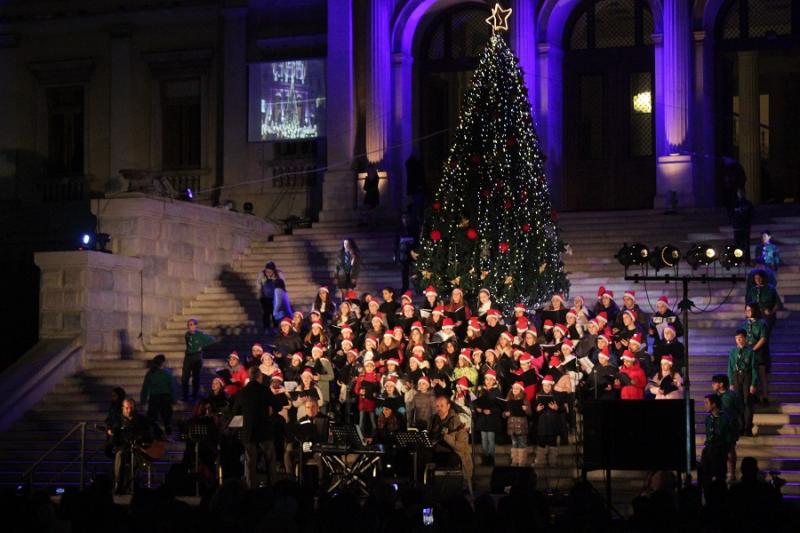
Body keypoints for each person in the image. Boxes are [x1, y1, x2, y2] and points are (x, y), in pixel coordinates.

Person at [229, 366, 278, 488]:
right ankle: (272, 488)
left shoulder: (242, 392)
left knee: (250, 462)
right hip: (265, 430)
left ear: (249, 377)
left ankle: (251, 488)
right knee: (270, 461)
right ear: (259, 377)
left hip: (249, 430)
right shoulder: (265, 390)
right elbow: (277, 406)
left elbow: (234, 412)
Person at [429, 395, 473, 493]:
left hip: (454, 454)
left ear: (448, 406)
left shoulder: (457, 422)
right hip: (437, 452)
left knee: (452, 459)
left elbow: (461, 447)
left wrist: (447, 437)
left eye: (442, 406)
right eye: (437, 406)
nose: (439, 408)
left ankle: (451, 487)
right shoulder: (434, 420)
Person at [110, 398, 156, 494]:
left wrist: (141, 438)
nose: (129, 410)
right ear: (123, 408)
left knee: (136, 461)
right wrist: (113, 434)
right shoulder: (118, 420)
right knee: (120, 455)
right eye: (127, 408)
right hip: (124, 448)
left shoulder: (141, 419)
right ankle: (118, 483)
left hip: (138, 449)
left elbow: (150, 432)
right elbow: (115, 438)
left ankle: (131, 484)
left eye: (131, 408)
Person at [700, 393, 733, 500]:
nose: (704, 405)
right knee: (705, 476)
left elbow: (728, 438)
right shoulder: (708, 419)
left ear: (713, 404)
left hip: (719, 451)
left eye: (707, 403)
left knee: (719, 477)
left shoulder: (725, 419)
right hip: (708, 450)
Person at [712, 374, 744, 482]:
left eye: (714, 383)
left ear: (721, 384)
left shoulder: (732, 395)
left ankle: (731, 473)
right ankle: (720, 473)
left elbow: (740, 409)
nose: (712, 385)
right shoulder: (714, 396)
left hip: (730, 427)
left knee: (730, 449)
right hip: (717, 427)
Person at [727, 330, 759, 435]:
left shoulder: (750, 352)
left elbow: (754, 368)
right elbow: (730, 368)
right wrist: (731, 382)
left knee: (747, 402)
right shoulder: (733, 352)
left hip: (747, 376)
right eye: (737, 338)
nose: (739, 340)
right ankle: (740, 427)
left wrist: (753, 383)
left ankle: (748, 428)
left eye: (740, 338)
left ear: (745, 338)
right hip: (736, 376)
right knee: (738, 402)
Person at [140, 354, 176, 435]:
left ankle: (153, 433)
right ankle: (168, 433)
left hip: (154, 397)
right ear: (163, 363)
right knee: (166, 417)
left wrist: (143, 400)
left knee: (152, 418)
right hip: (165, 397)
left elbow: (145, 387)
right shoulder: (167, 373)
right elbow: (172, 387)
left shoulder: (150, 373)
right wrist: (174, 399)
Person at [534, 375, 565, 467]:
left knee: (552, 443)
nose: (546, 387)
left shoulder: (557, 395)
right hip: (542, 423)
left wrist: (557, 408)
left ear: (551, 386)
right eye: (545, 385)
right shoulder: (538, 395)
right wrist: (537, 409)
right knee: (541, 443)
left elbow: (563, 409)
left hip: (553, 423)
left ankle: (553, 462)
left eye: (548, 385)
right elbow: (534, 410)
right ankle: (540, 461)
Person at [743, 302, 770, 405]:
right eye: (746, 310)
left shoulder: (762, 323)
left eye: (750, 310)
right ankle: (754, 396)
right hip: (748, 351)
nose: (747, 312)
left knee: (762, 375)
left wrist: (753, 349)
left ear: (754, 310)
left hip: (759, 352)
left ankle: (765, 397)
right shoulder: (744, 324)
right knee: (751, 375)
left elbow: (763, 338)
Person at [474, 370, 502, 466]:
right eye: (487, 379)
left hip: (492, 419)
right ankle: (485, 457)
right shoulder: (481, 390)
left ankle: (491, 458)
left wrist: (491, 411)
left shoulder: (497, 391)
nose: (488, 381)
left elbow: (500, 406)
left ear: (494, 381)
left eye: (491, 379)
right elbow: (476, 401)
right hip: (482, 418)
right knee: (484, 439)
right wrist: (478, 408)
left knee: (490, 439)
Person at [182, 319, 215, 402]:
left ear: (195, 326)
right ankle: (185, 396)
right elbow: (189, 344)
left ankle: (194, 395)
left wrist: (202, 345)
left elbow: (212, 340)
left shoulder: (200, 334)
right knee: (185, 377)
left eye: (192, 324)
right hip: (188, 357)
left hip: (196, 356)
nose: (190, 326)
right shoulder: (187, 334)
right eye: (189, 325)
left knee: (195, 377)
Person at [504, 381, 531, 466]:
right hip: (512, 426)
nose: (515, 390)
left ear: (521, 390)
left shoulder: (525, 400)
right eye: (513, 388)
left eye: (517, 388)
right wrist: (505, 414)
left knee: (522, 444)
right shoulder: (508, 399)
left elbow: (530, 412)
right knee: (514, 444)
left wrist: (526, 409)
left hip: (521, 426)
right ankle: (514, 461)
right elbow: (504, 412)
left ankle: (522, 462)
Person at [256, 261, 285, 333]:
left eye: (270, 272)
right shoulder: (261, 275)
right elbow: (258, 285)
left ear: (273, 271)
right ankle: (266, 328)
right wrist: (261, 293)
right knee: (266, 313)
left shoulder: (279, 274)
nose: (268, 273)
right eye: (266, 271)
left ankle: (275, 327)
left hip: (275, 297)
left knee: (274, 313)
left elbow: (282, 285)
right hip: (265, 297)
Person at [395, 212, 418, 293]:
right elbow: (397, 242)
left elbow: (415, 239)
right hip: (403, 254)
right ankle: (405, 288)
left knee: (414, 272)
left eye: (406, 218)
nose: (405, 220)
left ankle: (416, 287)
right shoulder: (400, 229)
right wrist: (396, 255)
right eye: (403, 218)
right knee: (404, 273)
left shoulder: (413, 228)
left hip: (412, 253)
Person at [732, 188, 754, 264]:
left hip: (745, 228)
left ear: (745, 193)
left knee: (746, 245)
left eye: (741, 192)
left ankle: (746, 260)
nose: (740, 194)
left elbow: (751, 215)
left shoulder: (748, 204)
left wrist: (748, 224)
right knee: (737, 245)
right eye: (739, 192)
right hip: (737, 228)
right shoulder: (734, 204)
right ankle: (737, 260)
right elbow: (731, 215)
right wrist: (734, 224)